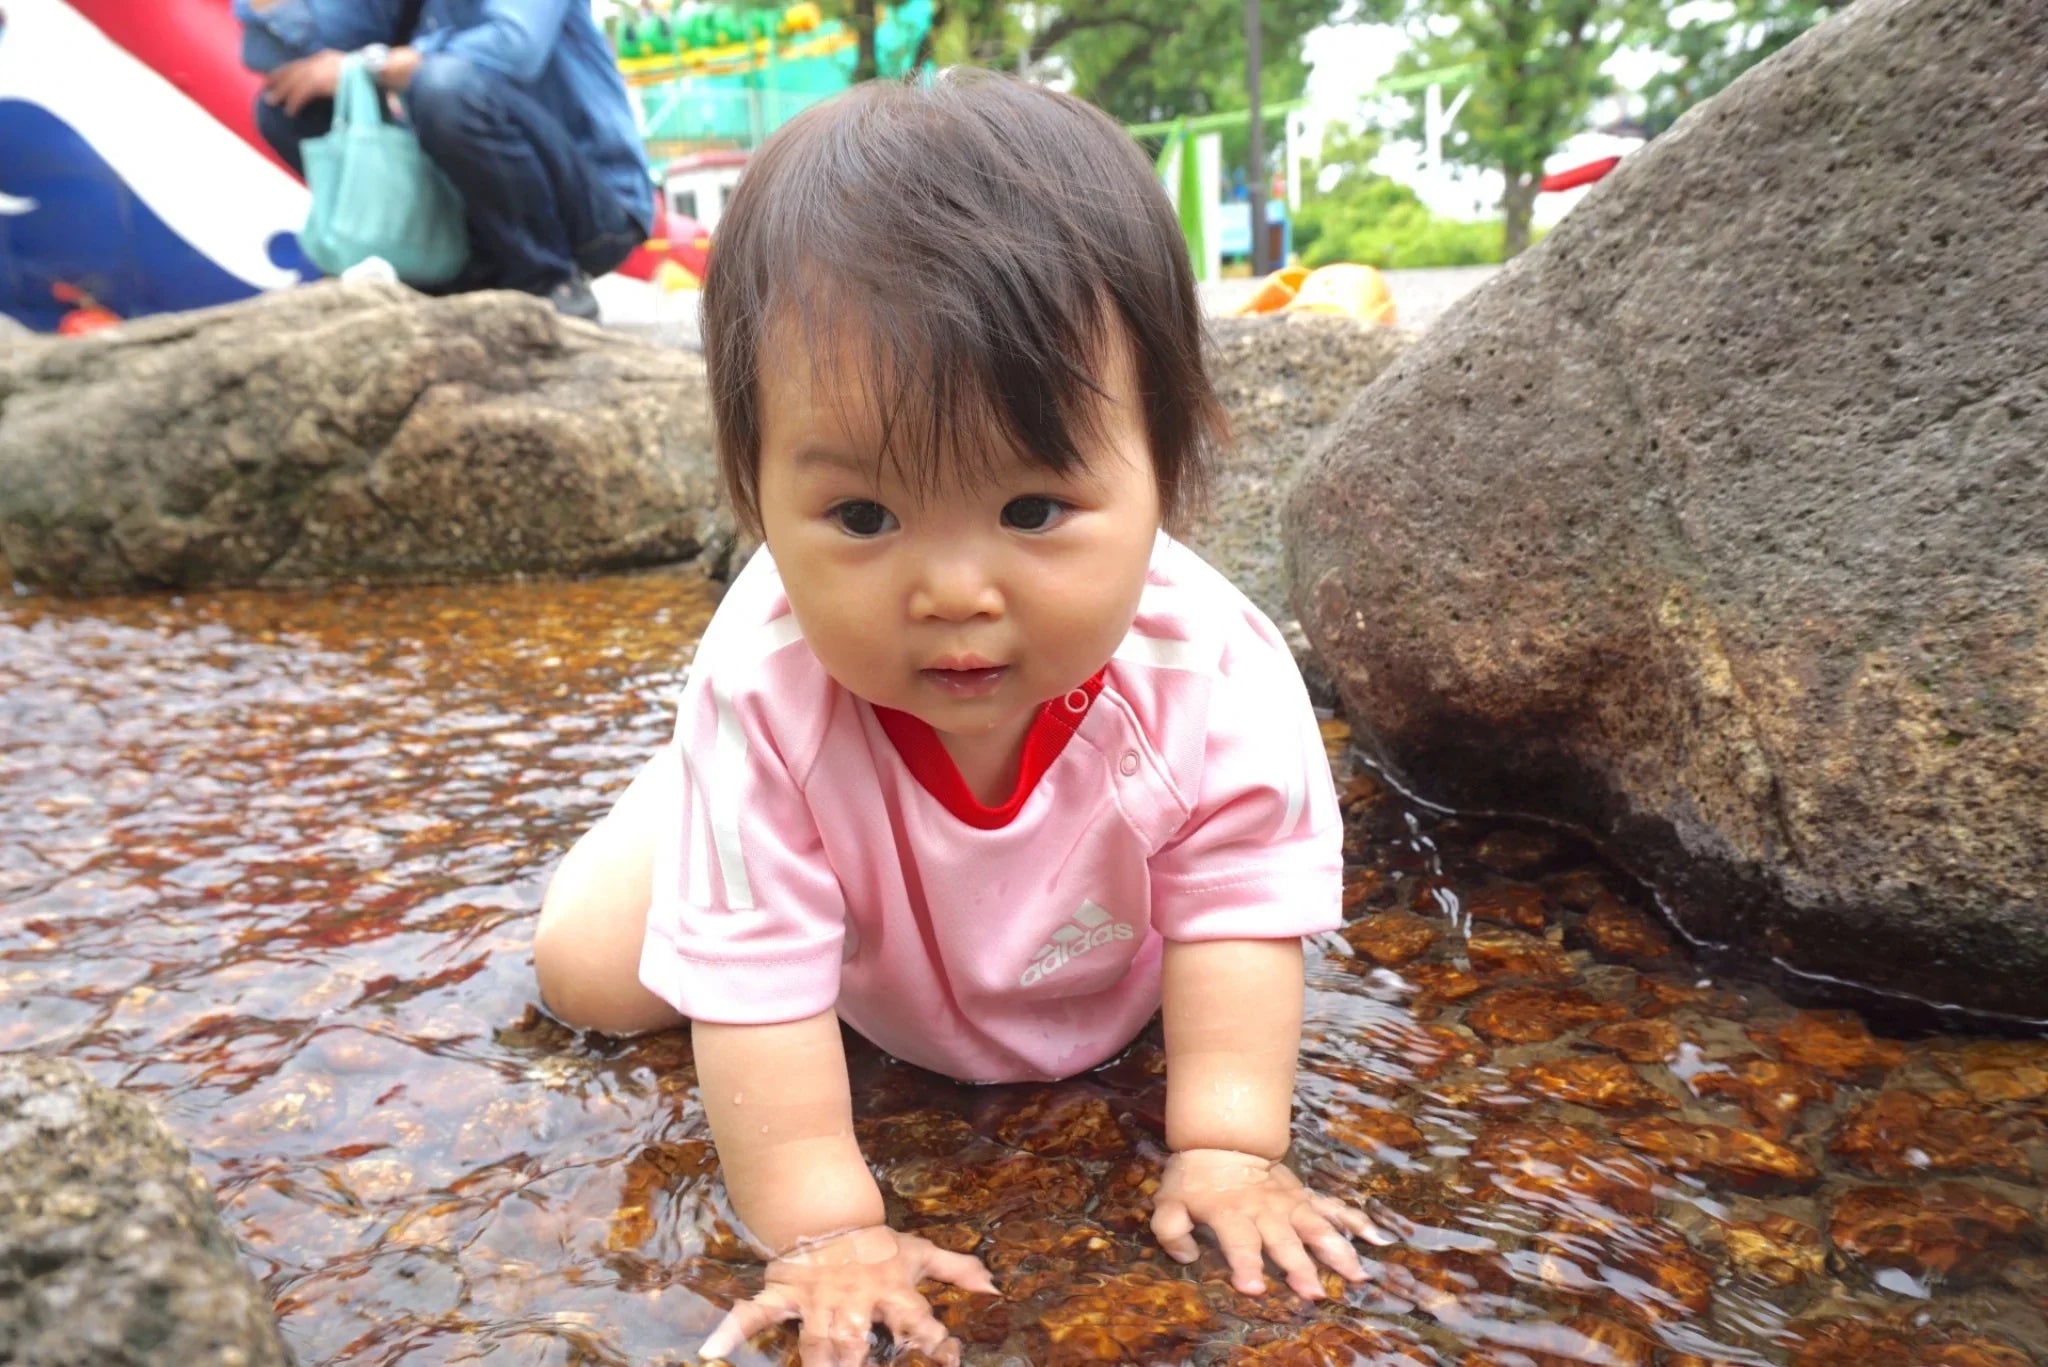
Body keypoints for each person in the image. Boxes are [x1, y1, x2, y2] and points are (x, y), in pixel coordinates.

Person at [533, 71, 1385, 1366]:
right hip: (847, 910)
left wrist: (1227, 1144)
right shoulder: (770, 686)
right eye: (863, 516)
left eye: (1032, 509)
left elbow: (1236, 907)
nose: (951, 591)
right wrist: (824, 1227)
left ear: (1167, 473)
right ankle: (686, 803)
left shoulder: (1210, 667)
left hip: (1093, 941)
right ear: (752, 494)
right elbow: (755, 1003)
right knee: (587, 977)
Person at [234, 0, 652, 321]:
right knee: (289, 106)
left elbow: (514, 45)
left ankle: (549, 281)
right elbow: (291, 61)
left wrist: (373, 64)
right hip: (468, 218)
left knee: (443, 86)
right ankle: (423, 267)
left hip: (589, 213)